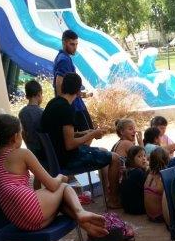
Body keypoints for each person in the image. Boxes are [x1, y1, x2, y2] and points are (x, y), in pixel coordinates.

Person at [0, 114, 107, 240]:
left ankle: (87, 225)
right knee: (63, 187)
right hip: (31, 210)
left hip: (22, 223)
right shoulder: (22, 154)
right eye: (21, 133)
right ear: (15, 137)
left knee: (62, 200)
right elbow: (53, 185)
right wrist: (60, 177)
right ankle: (80, 212)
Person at [41, 72, 121, 208]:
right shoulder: (67, 109)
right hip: (68, 160)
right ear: (78, 91)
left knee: (103, 151)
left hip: (55, 157)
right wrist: (92, 134)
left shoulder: (53, 103)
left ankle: (107, 195)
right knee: (115, 158)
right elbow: (70, 144)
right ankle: (113, 199)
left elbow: (60, 134)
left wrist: (84, 132)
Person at [53, 29, 93, 132]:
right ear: (64, 43)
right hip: (74, 106)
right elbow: (59, 84)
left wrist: (83, 94)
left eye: (76, 44)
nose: (75, 47)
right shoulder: (64, 60)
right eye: (72, 44)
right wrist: (64, 107)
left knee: (86, 133)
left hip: (75, 104)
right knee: (87, 133)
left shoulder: (64, 58)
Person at [18, 80, 44, 161]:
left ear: (26, 96)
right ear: (39, 94)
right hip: (43, 150)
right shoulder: (42, 112)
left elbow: (23, 133)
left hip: (31, 149)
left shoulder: (22, 113)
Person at [119, 146, 148, 215]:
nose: (144, 158)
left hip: (127, 208)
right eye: (139, 156)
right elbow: (147, 189)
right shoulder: (138, 172)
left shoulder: (128, 171)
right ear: (132, 160)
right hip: (137, 208)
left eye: (144, 155)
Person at [144, 147, 169, 221]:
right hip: (159, 216)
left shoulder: (149, 174)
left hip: (149, 215)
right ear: (166, 160)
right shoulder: (163, 177)